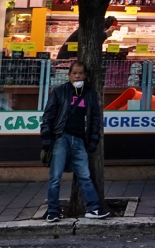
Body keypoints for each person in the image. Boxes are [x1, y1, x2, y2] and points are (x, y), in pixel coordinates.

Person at [40, 61, 109, 221]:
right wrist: (47, 136)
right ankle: (53, 211)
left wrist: (93, 139)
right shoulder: (59, 92)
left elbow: (95, 119)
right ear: (69, 75)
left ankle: (93, 209)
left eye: (80, 73)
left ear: (85, 75)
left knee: (84, 175)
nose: (77, 75)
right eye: (74, 73)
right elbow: (48, 114)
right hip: (61, 138)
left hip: (79, 140)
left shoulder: (89, 94)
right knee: (55, 177)